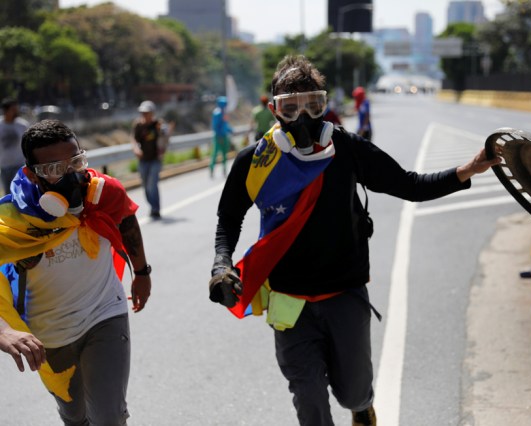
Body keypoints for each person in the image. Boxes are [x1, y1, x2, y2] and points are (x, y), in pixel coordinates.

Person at [207, 55, 500, 426]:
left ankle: (362, 407)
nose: (302, 118)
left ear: (324, 105)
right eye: (290, 107)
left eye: (312, 105)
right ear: (273, 110)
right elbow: (229, 218)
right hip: (288, 301)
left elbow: (409, 185)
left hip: (344, 293)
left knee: (354, 391)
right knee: (308, 396)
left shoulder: (346, 149)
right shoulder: (256, 161)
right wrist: (222, 263)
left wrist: (468, 169)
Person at [0, 119, 152, 424]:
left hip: (104, 313)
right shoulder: (12, 222)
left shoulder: (103, 193)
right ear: (32, 174)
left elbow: (125, 219)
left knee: (109, 416)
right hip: (51, 335)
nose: (72, 175)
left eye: (76, 162)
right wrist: (5, 331)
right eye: (55, 169)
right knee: (75, 416)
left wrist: (142, 272)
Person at [131, 100, 170, 220]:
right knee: (145, 185)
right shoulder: (138, 125)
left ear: (152, 113)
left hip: (155, 159)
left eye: (147, 112)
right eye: (143, 112)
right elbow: (134, 140)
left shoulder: (158, 124)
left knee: (152, 184)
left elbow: (165, 136)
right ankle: (152, 206)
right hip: (143, 160)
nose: (145, 115)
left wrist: (164, 132)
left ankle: (155, 209)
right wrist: (136, 149)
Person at [0, 98, 30, 195]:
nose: (16, 112)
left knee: (18, 192)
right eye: (13, 110)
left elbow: (28, 144)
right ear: (5, 111)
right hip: (4, 166)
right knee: (7, 194)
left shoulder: (22, 125)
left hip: (19, 165)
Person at [210, 96, 234, 178]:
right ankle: (211, 169)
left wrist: (230, 130)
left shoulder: (224, 113)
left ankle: (224, 170)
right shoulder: (217, 113)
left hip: (224, 136)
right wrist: (219, 135)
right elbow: (215, 126)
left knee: (224, 154)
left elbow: (225, 125)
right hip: (218, 137)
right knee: (215, 154)